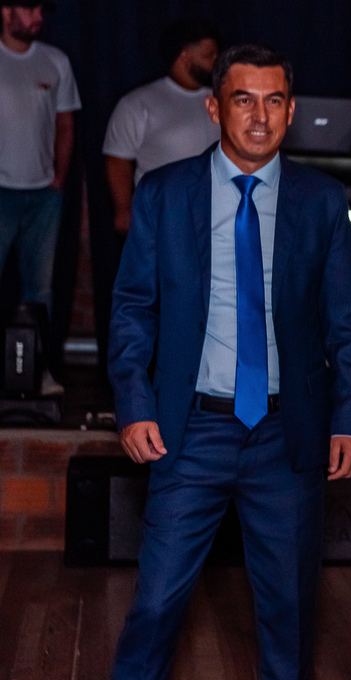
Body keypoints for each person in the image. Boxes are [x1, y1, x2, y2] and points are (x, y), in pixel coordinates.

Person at [79, 44, 351, 680]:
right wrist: (134, 404)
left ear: (291, 111)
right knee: (156, 603)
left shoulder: (318, 201)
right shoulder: (165, 193)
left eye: (274, 101)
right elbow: (132, 309)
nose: (259, 116)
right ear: (214, 108)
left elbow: (346, 321)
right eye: (244, 99)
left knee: (289, 610)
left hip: (287, 435)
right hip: (191, 433)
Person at [96, 18, 220, 406]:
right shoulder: (140, 103)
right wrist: (123, 210)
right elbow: (117, 159)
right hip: (162, 227)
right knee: (153, 309)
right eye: (209, 53)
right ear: (185, 55)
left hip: (216, 227)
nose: (216, 60)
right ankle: (139, 395)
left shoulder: (222, 102)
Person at [0, 0, 79, 396]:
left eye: (41, 11)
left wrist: (59, 177)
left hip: (43, 195)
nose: (38, 18)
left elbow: (65, 124)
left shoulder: (55, 60)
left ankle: (39, 370)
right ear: (5, 11)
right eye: (29, 9)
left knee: (41, 291)